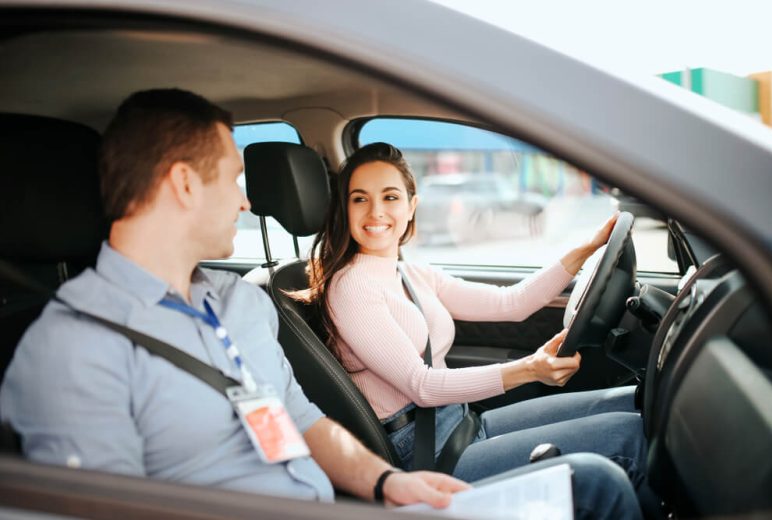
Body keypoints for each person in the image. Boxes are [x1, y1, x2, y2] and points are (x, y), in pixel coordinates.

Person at [0, 89, 641, 520]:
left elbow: (305, 426)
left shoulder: (238, 304)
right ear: (185, 184)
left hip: (350, 498)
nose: (247, 201)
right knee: (599, 483)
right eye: (234, 180)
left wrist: (388, 485)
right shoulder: (73, 348)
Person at [301, 142, 652, 497]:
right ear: (344, 209)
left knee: (630, 404)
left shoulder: (409, 273)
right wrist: (530, 369)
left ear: (412, 206)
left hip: (459, 422)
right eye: (359, 199)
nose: (375, 211)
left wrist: (586, 250)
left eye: (390, 197)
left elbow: (511, 303)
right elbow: (422, 386)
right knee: (626, 440)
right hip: (423, 452)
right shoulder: (351, 285)